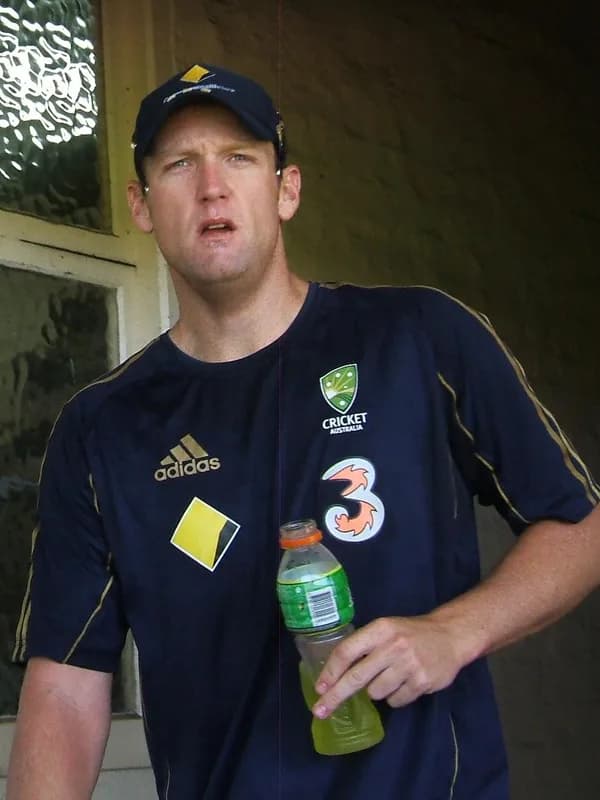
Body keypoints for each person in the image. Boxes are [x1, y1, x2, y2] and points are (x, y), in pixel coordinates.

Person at [6, 62, 600, 800]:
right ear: (142, 204)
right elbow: (66, 683)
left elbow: (579, 526)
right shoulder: (101, 428)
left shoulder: (419, 337)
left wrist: (457, 631)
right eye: (179, 164)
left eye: (239, 158)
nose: (211, 187)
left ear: (287, 190)